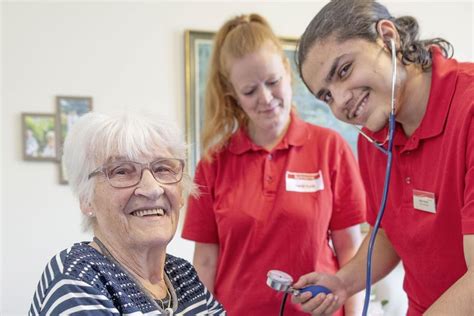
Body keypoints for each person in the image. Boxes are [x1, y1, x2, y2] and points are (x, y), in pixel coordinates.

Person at [293, 0, 474, 315]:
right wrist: (342, 283)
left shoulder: (468, 110)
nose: (341, 103)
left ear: (388, 38)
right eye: (326, 96)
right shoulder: (377, 134)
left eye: (344, 70)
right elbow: (391, 231)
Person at [181, 13, 367, 315]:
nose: (266, 98)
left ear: (286, 70)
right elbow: (205, 261)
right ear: (232, 94)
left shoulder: (329, 148)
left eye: (272, 82)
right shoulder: (214, 163)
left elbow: (350, 250)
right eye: (250, 91)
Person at [29, 112, 225, 315]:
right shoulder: (77, 278)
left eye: (162, 169)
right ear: (86, 199)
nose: (152, 189)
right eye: (121, 171)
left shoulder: (182, 275)